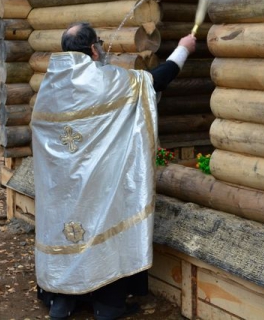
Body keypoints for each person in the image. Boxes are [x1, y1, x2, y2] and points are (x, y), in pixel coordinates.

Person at [30, 22, 196, 320]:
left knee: (65, 228)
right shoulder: (107, 80)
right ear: (94, 49)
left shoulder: (50, 83)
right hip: (100, 184)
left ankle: (62, 301)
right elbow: (153, 82)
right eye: (100, 44)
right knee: (102, 223)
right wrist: (183, 50)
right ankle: (107, 304)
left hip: (60, 187)